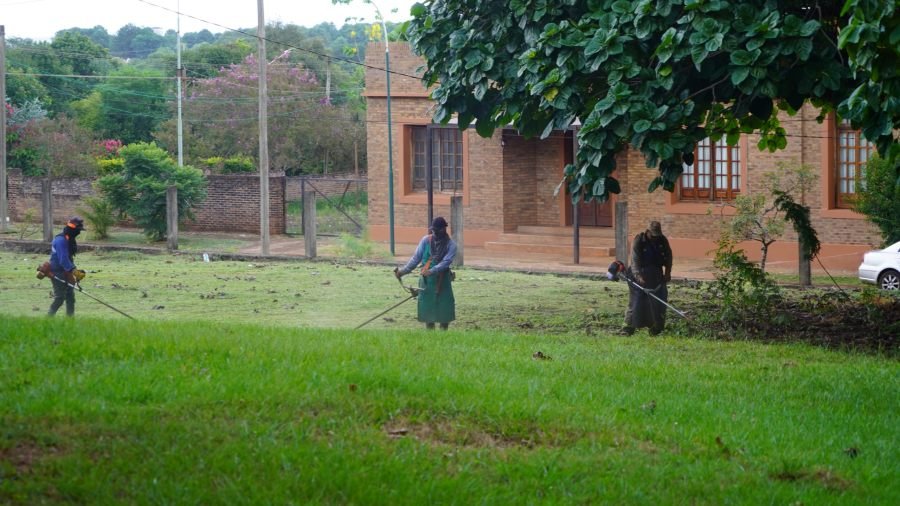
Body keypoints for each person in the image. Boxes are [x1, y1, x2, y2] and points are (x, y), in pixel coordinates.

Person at [395, 216, 457, 330]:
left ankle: (443, 336)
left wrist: (432, 271)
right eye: (433, 230)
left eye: (437, 230)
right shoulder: (425, 241)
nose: (434, 233)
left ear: (443, 229)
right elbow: (415, 259)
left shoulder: (451, 245)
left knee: (444, 314)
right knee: (428, 314)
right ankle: (430, 336)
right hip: (426, 282)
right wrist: (402, 272)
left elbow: (446, 262)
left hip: (442, 281)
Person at [622, 220, 672, 335]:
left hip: (656, 274)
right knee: (636, 300)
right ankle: (628, 327)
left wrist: (667, 273)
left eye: (657, 236)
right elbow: (634, 262)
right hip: (639, 273)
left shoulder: (662, 240)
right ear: (647, 232)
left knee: (660, 299)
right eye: (653, 235)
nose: (655, 238)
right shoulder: (639, 240)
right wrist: (638, 276)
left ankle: (657, 328)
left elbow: (668, 257)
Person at [47, 217, 84, 317]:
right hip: (57, 272)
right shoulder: (61, 240)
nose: (79, 232)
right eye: (78, 230)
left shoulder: (70, 239)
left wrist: (74, 270)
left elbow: (69, 258)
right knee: (60, 298)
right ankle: (48, 319)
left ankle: (70, 321)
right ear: (72, 229)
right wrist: (74, 271)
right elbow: (63, 259)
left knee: (70, 297)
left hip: (67, 271)